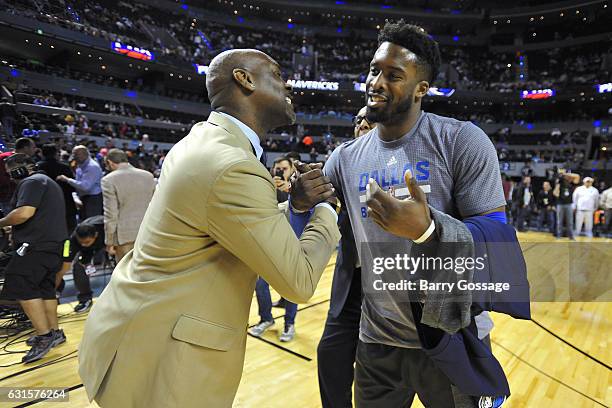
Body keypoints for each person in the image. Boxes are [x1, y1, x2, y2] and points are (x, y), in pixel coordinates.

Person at [78, 49, 341, 408]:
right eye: (278, 75)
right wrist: (327, 208)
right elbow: (299, 280)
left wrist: (294, 205)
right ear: (244, 79)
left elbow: (228, 222)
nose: (288, 84)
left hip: (133, 333)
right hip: (163, 361)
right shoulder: (232, 163)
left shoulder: (203, 142)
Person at [296, 21, 507, 406]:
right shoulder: (344, 158)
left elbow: (497, 242)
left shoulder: (461, 140)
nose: (376, 82)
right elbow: (309, 226)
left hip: (451, 337)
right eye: (375, 70)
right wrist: (297, 203)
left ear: (421, 89)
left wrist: (428, 229)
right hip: (376, 345)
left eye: (393, 75)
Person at [317, 106, 375, 407]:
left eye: (370, 118)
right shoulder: (343, 165)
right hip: (351, 285)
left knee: (379, 374)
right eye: (357, 120)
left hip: (391, 287)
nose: (362, 123)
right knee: (329, 356)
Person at [0, 154, 68, 363]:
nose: (11, 178)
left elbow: (24, 213)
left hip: (36, 246)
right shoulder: (48, 182)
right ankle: (55, 332)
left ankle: (44, 336)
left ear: (19, 170)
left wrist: (2, 222)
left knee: (21, 285)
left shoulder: (31, 182)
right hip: (53, 246)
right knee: (45, 289)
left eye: (11, 173)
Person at [250, 156, 300, 342]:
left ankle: (289, 323)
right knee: (260, 284)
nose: (280, 172)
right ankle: (266, 318)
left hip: (291, 246)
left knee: (290, 289)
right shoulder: (266, 188)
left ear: (292, 169)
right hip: (270, 246)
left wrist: (288, 191)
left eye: (284, 168)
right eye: (276, 168)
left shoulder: (299, 190)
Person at [101, 148, 156, 262]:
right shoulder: (148, 176)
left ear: (110, 162)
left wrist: (109, 240)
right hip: (148, 232)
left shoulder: (108, 180)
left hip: (124, 236)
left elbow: (111, 213)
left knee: (125, 275)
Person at [57, 216, 107, 313]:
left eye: (87, 242)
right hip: (87, 251)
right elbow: (65, 266)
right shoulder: (71, 241)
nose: (83, 244)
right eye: (81, 242)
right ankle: (85, 299)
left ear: (95, 235)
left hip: (109, 240)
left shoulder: (105, 227)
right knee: (78, 266)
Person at [37, 144, 78, 233]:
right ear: (56, 154)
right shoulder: (64, 167)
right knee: (69, 232)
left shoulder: (37, 167)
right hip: (65, 205)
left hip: (44, 205)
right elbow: (73, 187)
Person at [56, 145, 103, 219]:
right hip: (84, 198)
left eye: (76, 154)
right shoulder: (80, 165)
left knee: (91, 224)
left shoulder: (92, 167)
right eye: (73, 154)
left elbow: (85, 187)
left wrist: (67, 180)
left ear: (85, 154)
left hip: (93, 199)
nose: (74, 156)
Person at [553, 171, 580, 239]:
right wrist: (558, 184)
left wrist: (565, 173)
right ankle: (559, 235)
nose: (567, 177)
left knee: (570, 221)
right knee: (559, 221)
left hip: (569, 204)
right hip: (560, 204)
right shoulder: (560, 182)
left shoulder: (572, 183)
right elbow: (555, 193)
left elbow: (577, 176)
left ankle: (571, 236)